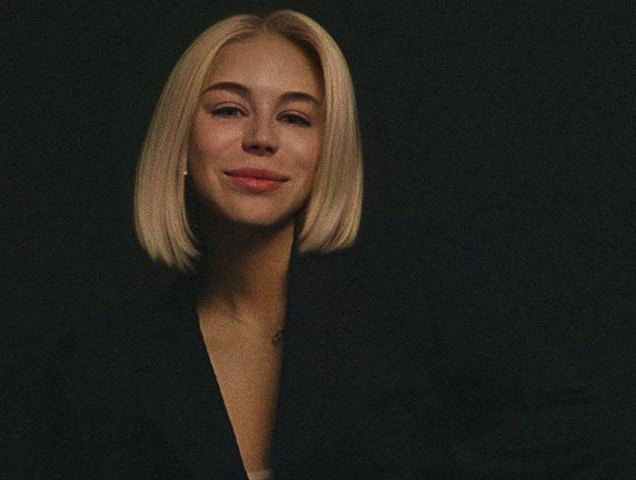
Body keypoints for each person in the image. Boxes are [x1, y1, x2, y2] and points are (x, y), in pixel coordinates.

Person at [46, 9, 630, 479]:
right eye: (229, 109)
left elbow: (583, 434)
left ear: (328, 152)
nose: (262, 138)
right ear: (180, 142)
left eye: (296, 118)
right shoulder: (107, 357)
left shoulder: (420, 284)